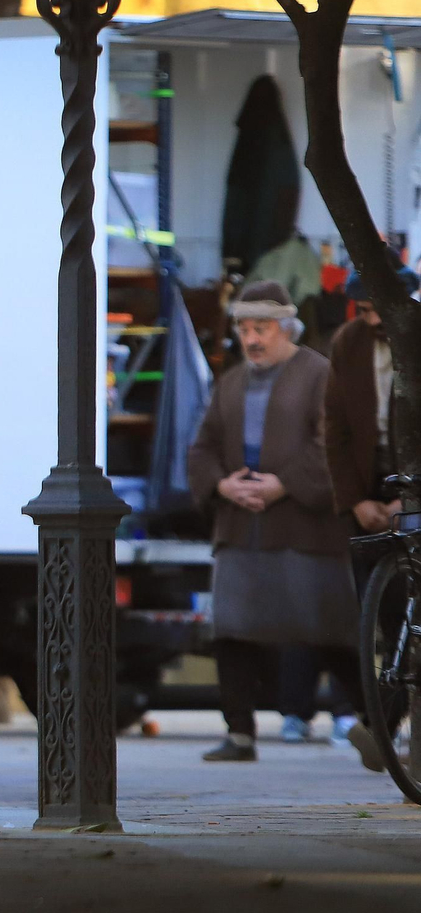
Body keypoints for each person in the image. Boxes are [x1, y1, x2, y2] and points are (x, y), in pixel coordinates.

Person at [187, 280, 373, 763]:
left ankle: (379, 723)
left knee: (329, 633)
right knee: (232, 630)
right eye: (245, 329)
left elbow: (332, 442)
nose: (252, 339)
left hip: (303, 528)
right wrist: (223, 485)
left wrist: (282, 484)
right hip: (239, 525)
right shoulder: (230, 381)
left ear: (286, 327)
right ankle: (240, 734)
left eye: (262, 328)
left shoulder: (318, 374)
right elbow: (202, 445)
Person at [320, 264, 421, 766]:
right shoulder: (348, 343)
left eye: (378, 308)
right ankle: (382, 721)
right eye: (363, 311)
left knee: (411, 612)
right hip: (368, 489)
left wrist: (414, 496)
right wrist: (354, 500)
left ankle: (382, 725)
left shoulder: (416, 334)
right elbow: (334, 427)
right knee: (381, 617)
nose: (372, 319)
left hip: (414, 482)